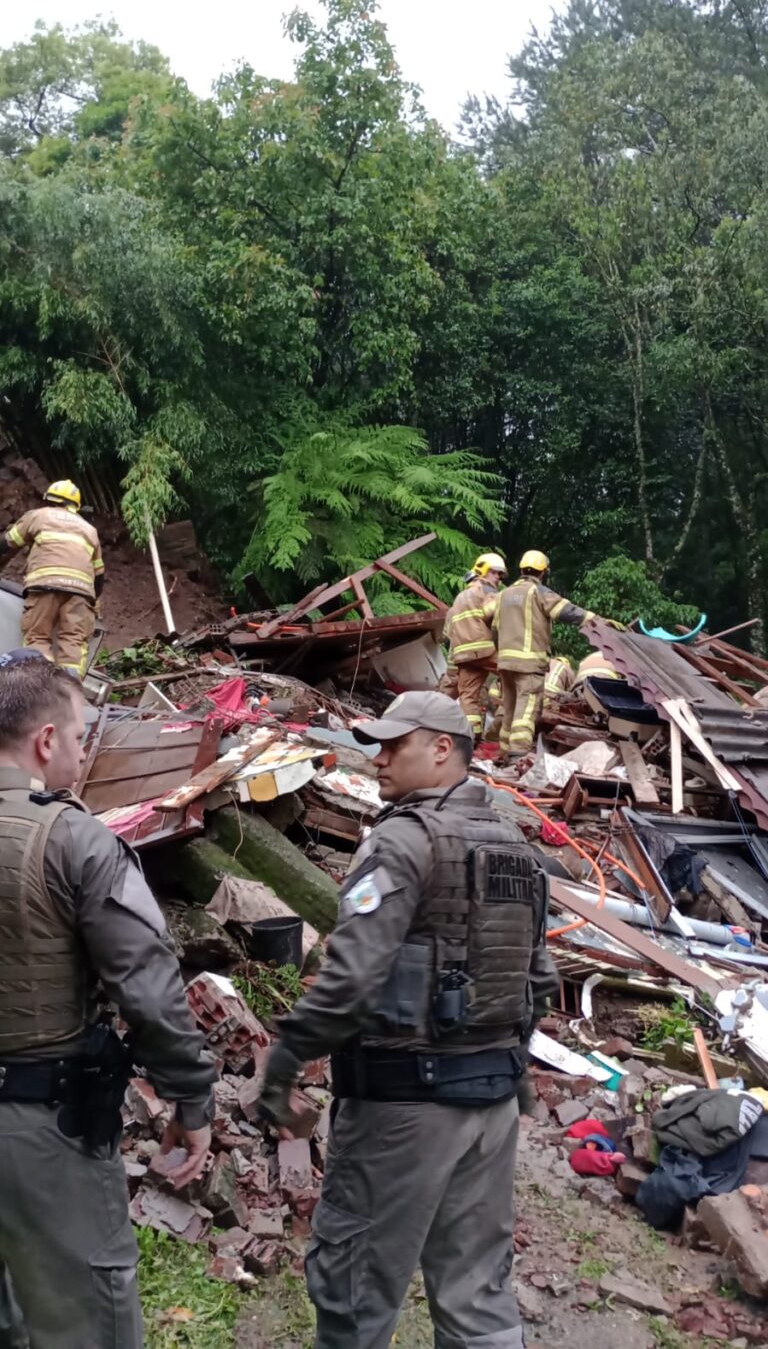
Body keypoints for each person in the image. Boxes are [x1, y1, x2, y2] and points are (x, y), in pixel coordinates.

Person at [260, 691, 558, 1349]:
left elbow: (350, 980)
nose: (379, 758)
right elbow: (538, 978)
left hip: (404, 1105)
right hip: (490, 1104)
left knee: (356, 1289)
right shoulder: (516, 847)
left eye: (397, 744)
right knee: (477, 1295)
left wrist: (281, 1066)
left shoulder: (401, 841)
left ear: (443, 749)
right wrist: (518, 1085)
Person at [0, 658, 217, 1349]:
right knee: (84, 1319)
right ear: (44, 743)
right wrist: (191, 1100)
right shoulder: (73, 839)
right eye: (79, 734)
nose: (82, 747)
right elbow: (147, 986)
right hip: (38, 1123)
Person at [492, 551, 624, 761]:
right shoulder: (538, 591)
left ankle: (504, 753)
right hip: (529, 663)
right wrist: (599, 621)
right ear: (543, 572)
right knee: (526, 709)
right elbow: (567, 611)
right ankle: (518, 753)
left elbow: (493, 626)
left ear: (521, 569)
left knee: (509, 707)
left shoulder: (503, 595)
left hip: (505, 662)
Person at [0, 479, 104, 678]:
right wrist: (94, 601)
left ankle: (40, 687)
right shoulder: (89, 530)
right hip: (81, 593)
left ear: (48, 498)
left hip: (45, 586)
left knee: (38, 638)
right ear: (75, 505)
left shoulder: (38, 516)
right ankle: (68, 690)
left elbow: (7, 543)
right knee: (73, 644)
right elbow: (99, 576)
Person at [441, 553, 507, 740]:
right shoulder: (487, 592)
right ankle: (507, 723)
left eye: (500, 575)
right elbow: (498, 618)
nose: (498, 578)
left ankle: (471, 738)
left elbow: (448, 633)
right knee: (517, 672)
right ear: (483, 571)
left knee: (468, 697)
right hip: (484, 650)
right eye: (495, 573)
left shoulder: (459, 598)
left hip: (463, 656)